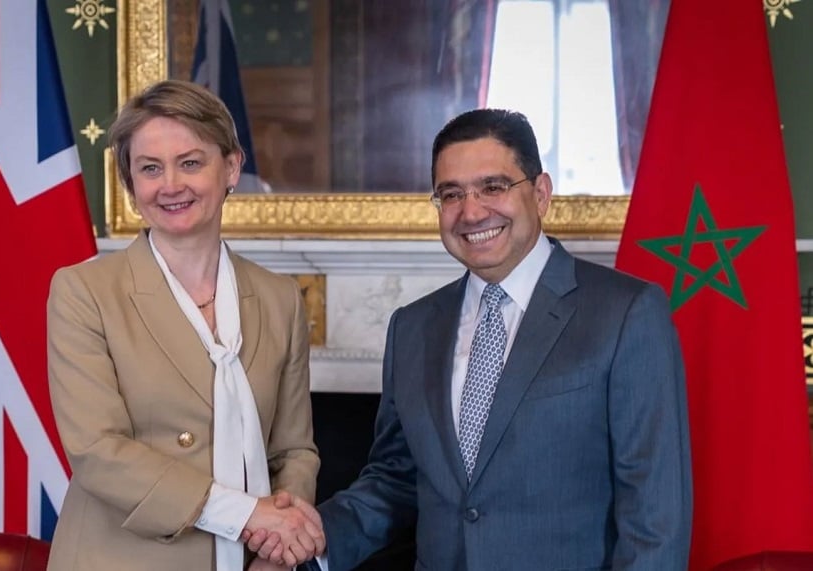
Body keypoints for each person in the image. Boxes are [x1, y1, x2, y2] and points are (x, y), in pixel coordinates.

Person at [247, 109, 693, 570]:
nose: (472, 211)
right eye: (451, 194)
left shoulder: (626, 314)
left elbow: (655, 518)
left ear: (540, 194)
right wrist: (311, 540)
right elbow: (397, 480)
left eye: (493, 187)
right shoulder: (413, 327)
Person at [46, 79, 324, 571]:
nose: (171, 184)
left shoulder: (280, 297)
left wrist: (278, 551)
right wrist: (249, 517)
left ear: (231, 167)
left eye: (191, 162)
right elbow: (98, 451)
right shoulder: (84, 292)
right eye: (150, 168)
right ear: (132, 186)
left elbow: (294, 450)